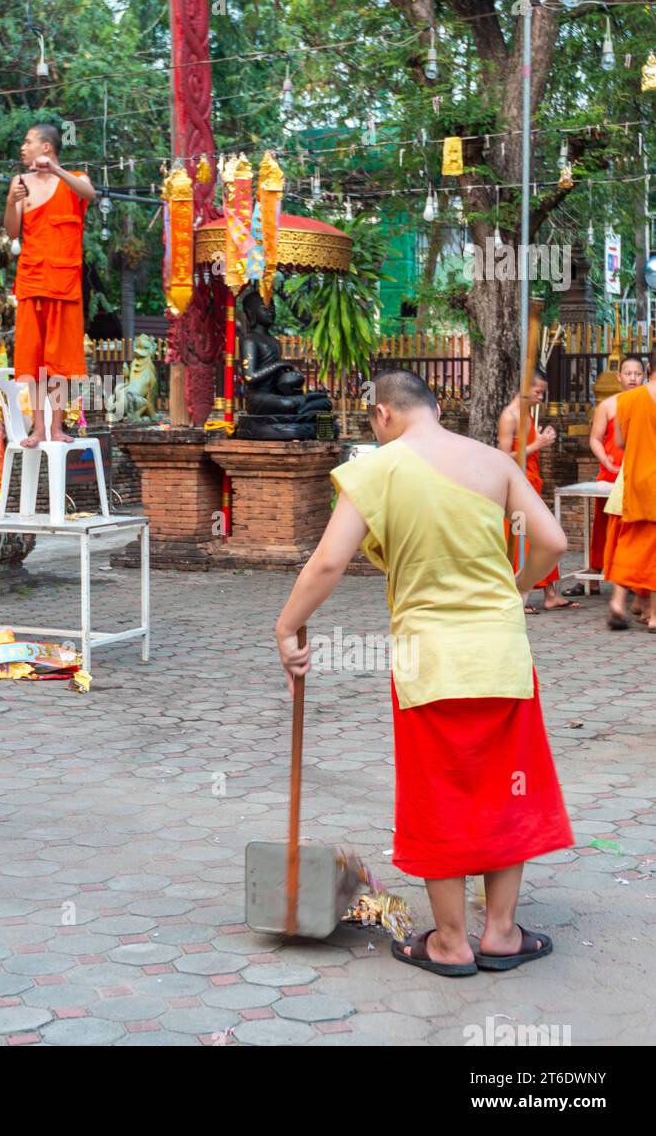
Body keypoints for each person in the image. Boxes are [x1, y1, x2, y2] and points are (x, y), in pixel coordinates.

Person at [275, 369, 572, 976]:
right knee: (506, 789)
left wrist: (286, 629)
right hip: (501, 655)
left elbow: (329, 563)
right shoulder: (494, 462)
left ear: (383, 415)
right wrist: (513, 588)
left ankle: (450, 942)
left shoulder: (378, 471)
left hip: (428, 660)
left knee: (440, 793)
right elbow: (554, 541)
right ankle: (501, 932)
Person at [4, 123, 95, 445]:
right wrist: (10, 202)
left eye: (28, 141)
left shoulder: (75, 180)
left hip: (65, 282)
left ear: (46, 147)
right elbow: (12, 232)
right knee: (32, 358)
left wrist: (55, 170)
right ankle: (39, 428)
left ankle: (57, 426)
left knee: (60, 361)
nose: (22, 147)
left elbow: (91, 194)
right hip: (31, 280)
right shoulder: (20, 182)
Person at [496, 369, 577, 611]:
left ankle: (551, 594)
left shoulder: (527, 414)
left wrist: (539, 440)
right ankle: (519, 593)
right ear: (523, 388)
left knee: (544, 535)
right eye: (537, 391)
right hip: (518, 485)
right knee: (523, 537)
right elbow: (503, 457)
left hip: (532, 481)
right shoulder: (510, 416)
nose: (541, 397)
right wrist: (537, 444)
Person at [588, 356, 647, 608]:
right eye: (628, 373)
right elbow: (596, 438)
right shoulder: (608, 405)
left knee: (636, 531)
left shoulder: (646, 402)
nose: (633, 377)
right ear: (618, 377)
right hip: (611, 474)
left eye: (638, 373)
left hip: (638, 474)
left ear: (645, 375)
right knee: (605, 529)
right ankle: (596, 576)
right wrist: (607, 461)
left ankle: (634, 585)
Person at [603, 359, 656, 632]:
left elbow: (621, 443)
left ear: (649, 370)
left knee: (631, 543)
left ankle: (618, 602)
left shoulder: (629, 400)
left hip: (635, 481)